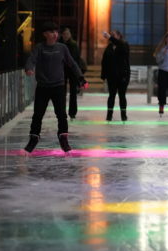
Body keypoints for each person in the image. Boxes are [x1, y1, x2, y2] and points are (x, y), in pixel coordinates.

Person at [24, 22, 87, 153]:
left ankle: (63, 139)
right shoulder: (40, 48)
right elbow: (31, 59)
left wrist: (81, 78)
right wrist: (29, 68)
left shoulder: (62, 48)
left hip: (58, 87)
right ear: (45, 34)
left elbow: (72, 64)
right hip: (43, 87)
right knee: (37, 115)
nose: (55, 34)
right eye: (51, 32)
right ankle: (33, 138)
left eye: (56, 32)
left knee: (61, 115)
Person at [101, 30, 130, 121]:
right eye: (111, 35)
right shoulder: (109, 47)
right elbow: (104, 61)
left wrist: (110, 37)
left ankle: (123, 115)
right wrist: (103, 74)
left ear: (119, 36)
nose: (112, 37)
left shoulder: (124, 45)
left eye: (114, 35)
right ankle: (109, 115)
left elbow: (120, 45)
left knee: (122, 96)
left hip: (122, 77)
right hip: (112, 77)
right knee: (111, 96)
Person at [59, 27, 85, 119]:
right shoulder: (59, 44)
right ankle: (61, 111)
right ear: (62, 35)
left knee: (73, 92)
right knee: (62, 92)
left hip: (72, 71)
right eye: (64, 34)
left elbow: (75, 59)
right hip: (62, 70)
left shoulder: (73, 44)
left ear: (70, 35)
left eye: (67, 34)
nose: (66, 35)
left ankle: (72, 112)